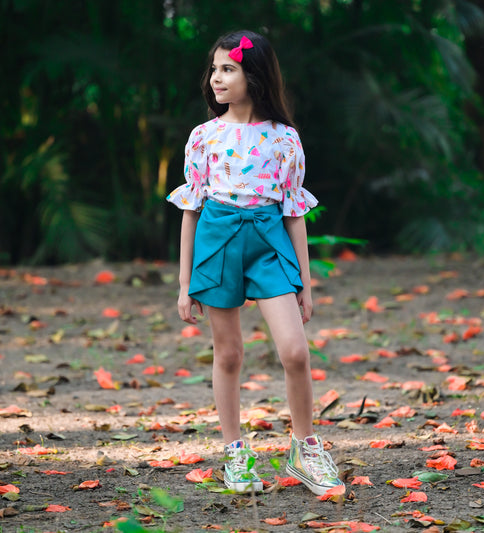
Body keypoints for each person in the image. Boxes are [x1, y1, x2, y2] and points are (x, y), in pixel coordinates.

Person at [167, 30, 344, 496]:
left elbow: (294, 212)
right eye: (214, 69)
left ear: (255, 76)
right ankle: (235, 453)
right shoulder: (204, 137)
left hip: (269, 242)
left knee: (295, 351)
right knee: (229, 354)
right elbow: (191, 211)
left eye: (228, 69)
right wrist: (185, 284)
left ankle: (305, 449)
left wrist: (305, 282)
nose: (216, 78)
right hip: (218, 241)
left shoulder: (284, 139)